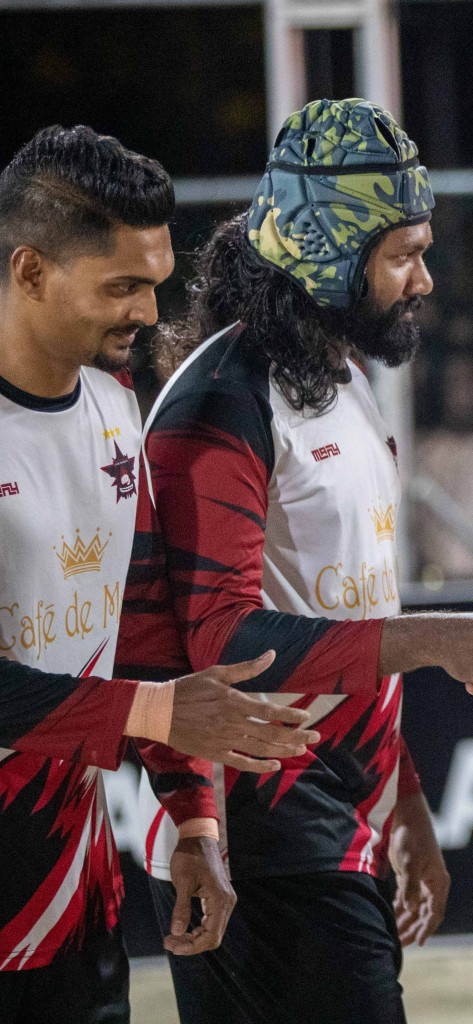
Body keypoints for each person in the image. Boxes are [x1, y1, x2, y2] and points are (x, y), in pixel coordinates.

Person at [139, 99, 473, 1024]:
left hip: (336, 820)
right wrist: (433, 641)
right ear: (328, 252)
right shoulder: (219, 399)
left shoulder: (343, 378)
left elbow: (345, 603)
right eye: (400, 255)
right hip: (255, 838)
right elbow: (223, 639)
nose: (422, 280)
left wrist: (404, 796)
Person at [0, 125, 319, 1023]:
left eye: (155, 281)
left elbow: (140, 629)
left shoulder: (114, 402)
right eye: (122, 286)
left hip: (77, 903)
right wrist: (157, 711)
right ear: (29, 271)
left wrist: (191, 820)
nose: (147, 312)